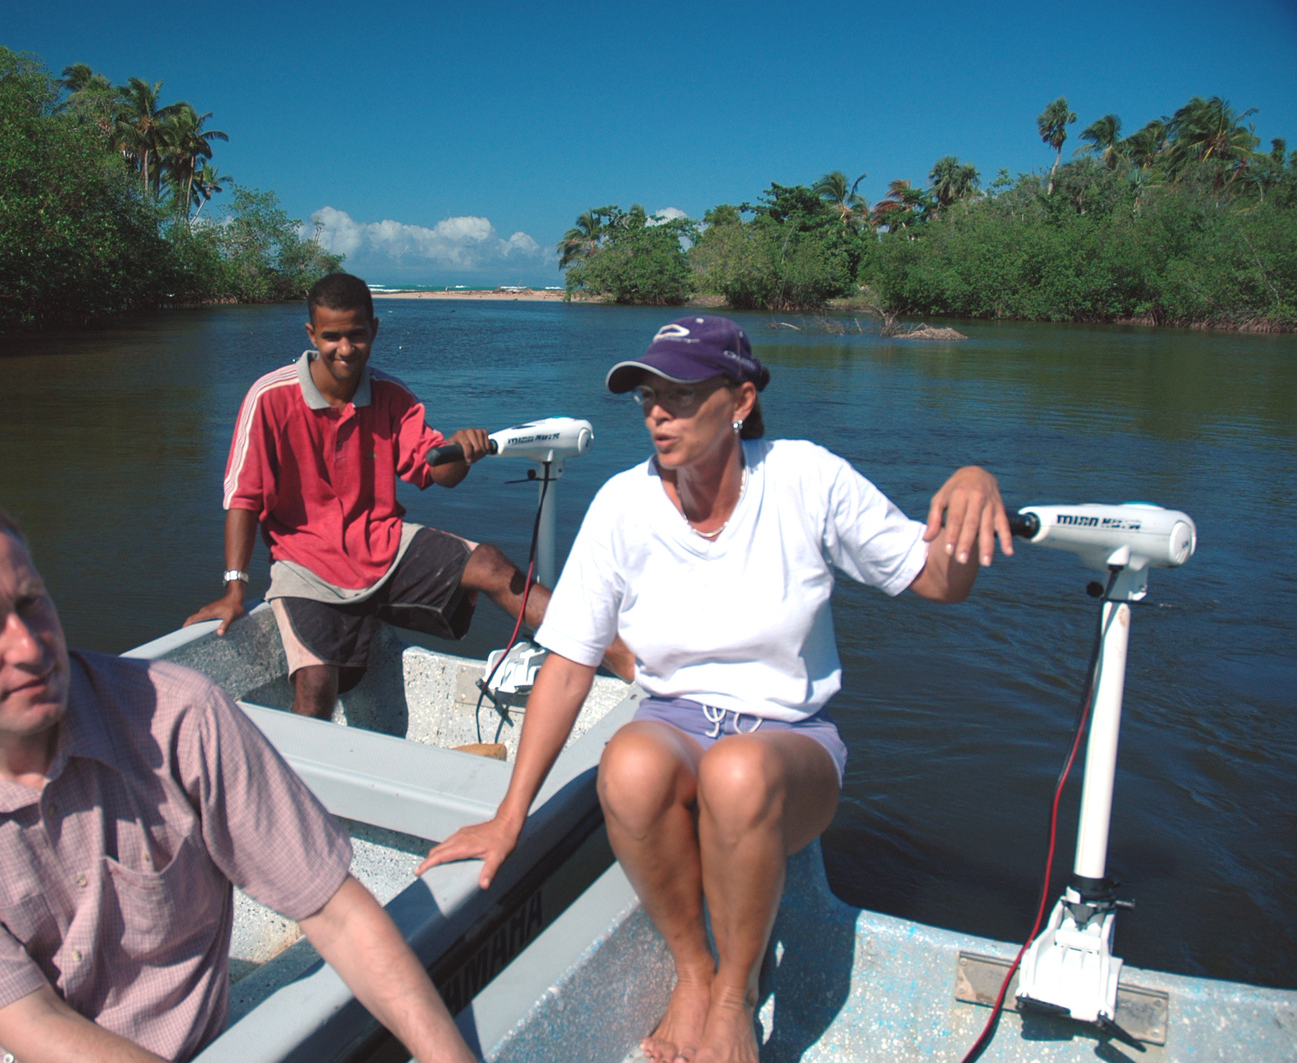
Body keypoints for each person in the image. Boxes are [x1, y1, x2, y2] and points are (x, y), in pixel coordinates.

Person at [418, 316, 1012, 1063]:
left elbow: (935, 580)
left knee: (738, 771)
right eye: (646, 396)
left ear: (739, 398)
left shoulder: (803, 477)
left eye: (681, 394)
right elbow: (568, 665)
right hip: (675, 722)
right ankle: (695, 973)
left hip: (790, 744)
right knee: (627, 764)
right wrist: (511, 816)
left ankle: (736, 993)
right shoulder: (621, 506)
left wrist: (970, 490)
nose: (657, 411)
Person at [0, 489, 477, 1063]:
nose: (28, 646)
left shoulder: (179, 716)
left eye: (31, 603)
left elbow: (333, 909)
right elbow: (30, 1024)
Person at [185, 272, 630, 718]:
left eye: (356, 335)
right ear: (311, 334)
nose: (345, 348)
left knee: (492, 565)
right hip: (304, 566)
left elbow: (437, 471)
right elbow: (244, 497)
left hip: (382, 545)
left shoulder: (392, 396)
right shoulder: (270, 397)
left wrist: (464, 452)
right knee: (317, 683)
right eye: (332, 336)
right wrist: (234, 588)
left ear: (374, 331)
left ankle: (623, 658)